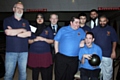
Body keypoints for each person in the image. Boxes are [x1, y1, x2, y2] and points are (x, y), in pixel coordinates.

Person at [3, 2, 31, 80]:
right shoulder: (7, 20)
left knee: (23, 74)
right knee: (8, 74)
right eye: (18, 8)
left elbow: (28, 33)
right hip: (11, 52)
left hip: (24, 52)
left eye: (22, 9)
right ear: (14, 9)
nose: (20, 10)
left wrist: (14, 32)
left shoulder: (26, 22)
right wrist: (22, 30)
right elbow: (8, 32)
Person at [28, 13, 54, 80]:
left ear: (44, 19)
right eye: (38, 18)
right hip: (34, 53)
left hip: (45, 54)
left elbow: (52, 41)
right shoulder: (32, 28)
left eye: (41, 18)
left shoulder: (48, 28)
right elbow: (28, 41)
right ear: (36, 19)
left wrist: (44, 39)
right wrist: (34, 40)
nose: (39, 19)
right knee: (35, 72)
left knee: (45, 72)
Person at [92, 15, 118, 80]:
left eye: (104, 21)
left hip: (107, 55)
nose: (102, 23)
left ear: (107, 21)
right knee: (98, 73)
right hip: (97, 54)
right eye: (100, 21)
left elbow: (115, 40)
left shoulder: (111, 29)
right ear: (99, 21)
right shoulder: (95, 29)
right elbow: (90, 40)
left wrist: (113, 51)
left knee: (108, 72)